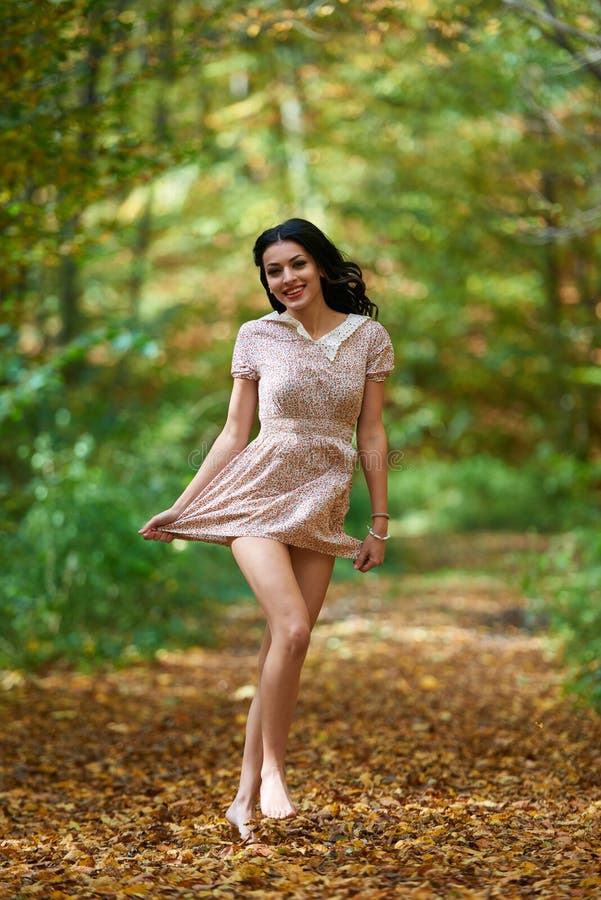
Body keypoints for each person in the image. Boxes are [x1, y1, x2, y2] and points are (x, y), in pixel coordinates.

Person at [139, 218, 394, 841]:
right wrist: (182, 506)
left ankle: (244, 797)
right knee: (292, 626)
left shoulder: (368, 338)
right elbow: (234, 432)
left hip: (321, 505)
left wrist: (379, 524)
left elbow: (371, 435)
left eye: (297, 264)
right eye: (273, 270)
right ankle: (276, 772)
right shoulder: (256, 336)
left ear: (323, 266)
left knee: (284, 649)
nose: (286, 279)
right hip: (255, 498)